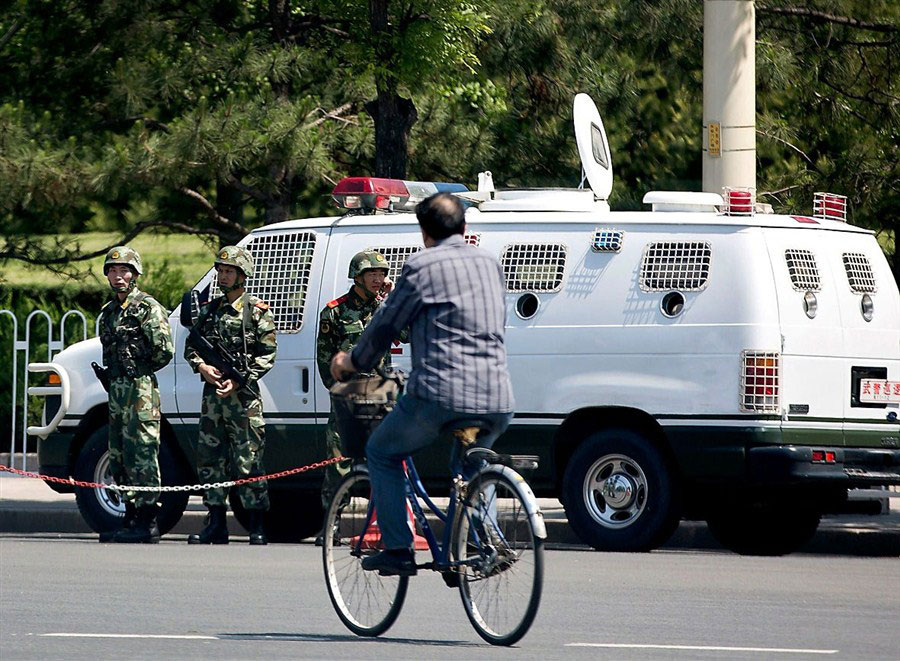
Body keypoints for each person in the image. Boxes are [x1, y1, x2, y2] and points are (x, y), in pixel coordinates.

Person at [331, 193, 514, 576]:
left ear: (424, 232)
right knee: (470, 463)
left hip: (441, 393)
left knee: (381, 451)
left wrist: (351, 362)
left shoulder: (421, 265)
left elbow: (385, 325)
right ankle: (483, 542)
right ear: (464, 228)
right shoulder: (490, 263)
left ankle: (398, 549)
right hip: (498, 395)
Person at [185, 246, 277, 545]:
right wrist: (202, 367)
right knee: (210, 458)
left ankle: (257, 524)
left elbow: (268, 355)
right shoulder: (210, 311)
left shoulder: (257, 312)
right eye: (221, 271)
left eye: (229, 272)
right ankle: (215, 522)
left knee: (249, 459)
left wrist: (239, 381)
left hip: (244, 400)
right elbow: (191, 346)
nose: (222, 276)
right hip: (213, 400)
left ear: (242, 275)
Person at [316, 250, 404, 513]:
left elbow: (407, 332)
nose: (377, 279)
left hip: (379, 397)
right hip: (348, 397)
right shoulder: (335, 312)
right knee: (338, 463)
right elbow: (324, 359)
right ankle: (332, 521)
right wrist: (339, 391)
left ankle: (382, 521)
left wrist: (394, 299)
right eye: (371, 274)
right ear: (357, 276)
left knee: (382, 459)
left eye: (381, 274)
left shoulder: (385, 308)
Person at [97, 246, 174, 543]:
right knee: (119, 453)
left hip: (140, 389)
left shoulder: (148, 308)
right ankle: (129, 516)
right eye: (113, 271)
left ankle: (148, 519)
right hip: (116, 390)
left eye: (124, 271)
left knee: (142, 451)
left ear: (136, 274)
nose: (118, 276)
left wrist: (138, 371)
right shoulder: (108, 313)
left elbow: (164, 351)